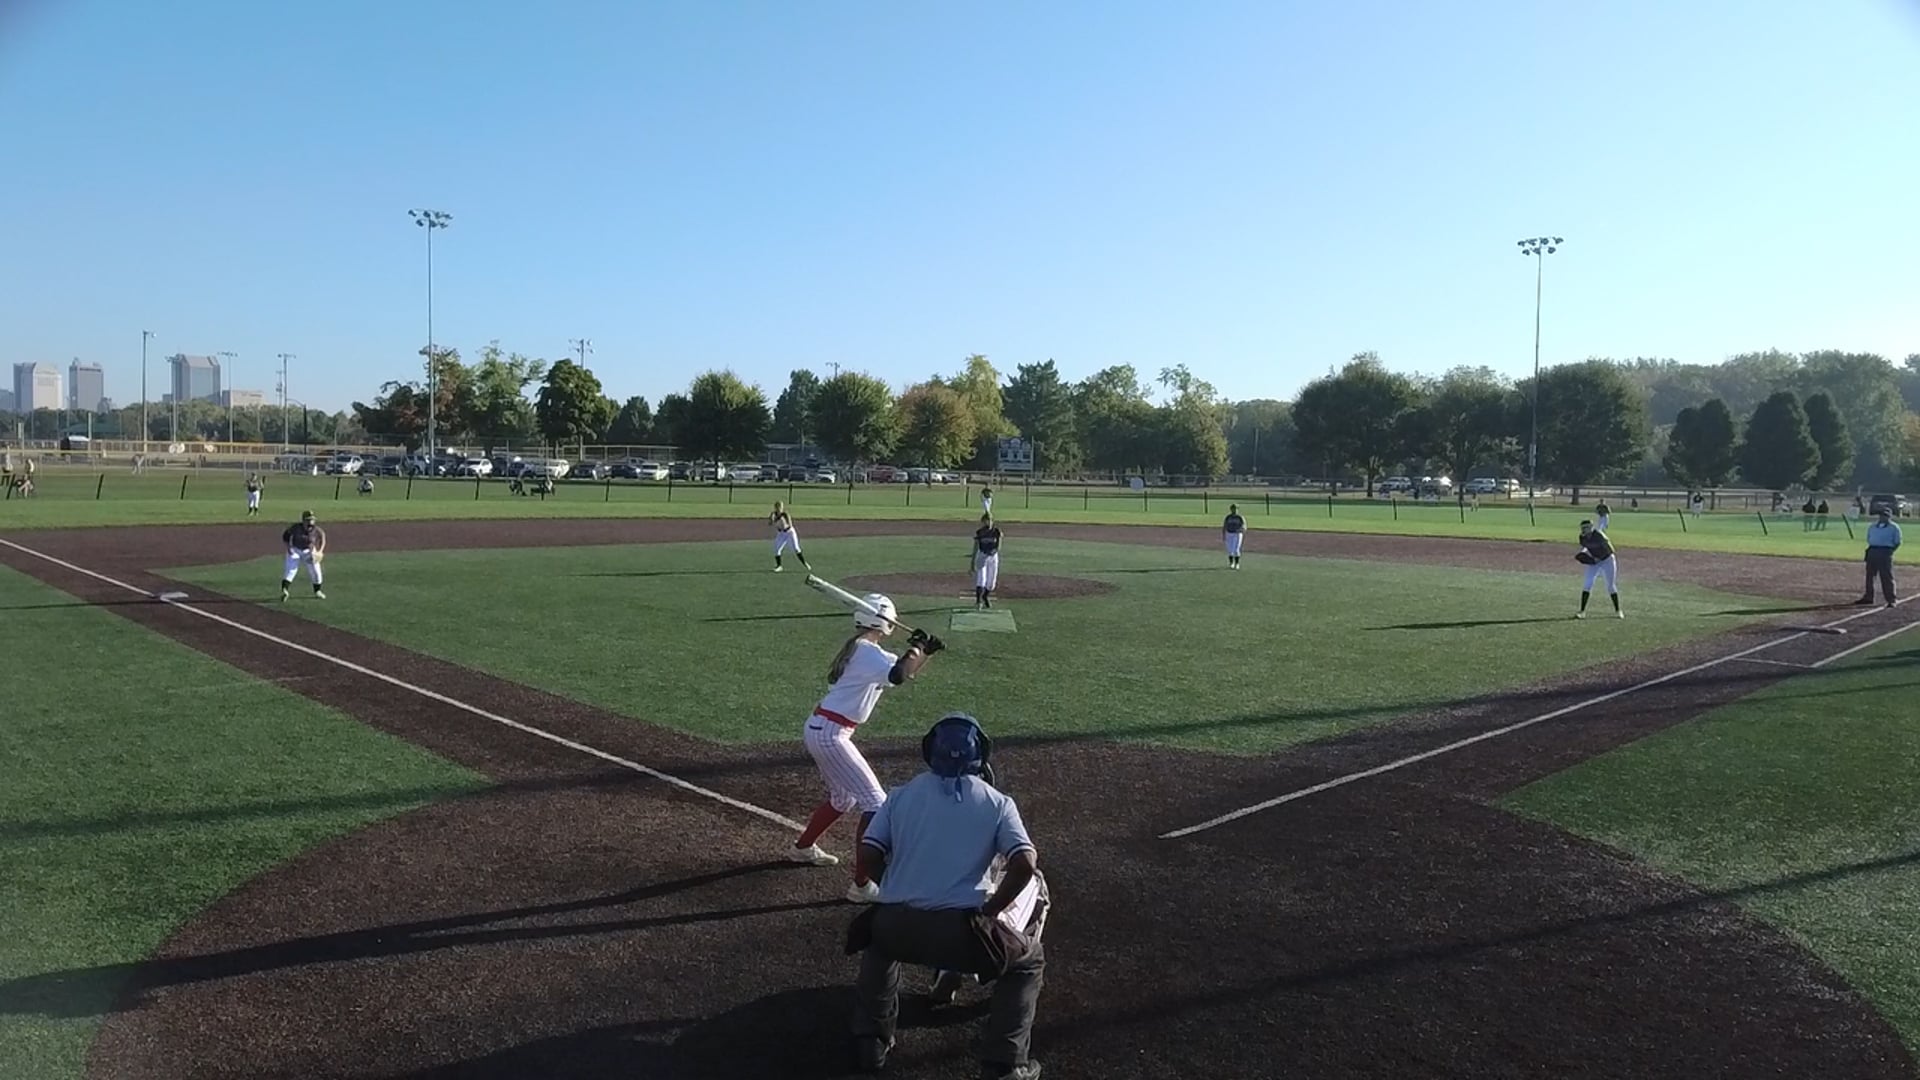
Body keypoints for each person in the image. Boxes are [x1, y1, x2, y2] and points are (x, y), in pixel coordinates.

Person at [848, 712, 1047, 1079]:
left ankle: (872, 1041)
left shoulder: (899, 797)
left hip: (897, 924)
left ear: (930, 752)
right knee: (1027, 962)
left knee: (878, 943)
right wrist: (991, 910)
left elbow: (868, 854)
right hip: (962, 934)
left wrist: (892, 885)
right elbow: (1024, 865)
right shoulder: (998, 802)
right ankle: (1005, 1063)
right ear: (981, 756)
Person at [787, 593, 943, 902]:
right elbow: (898, 674)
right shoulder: (867, 653)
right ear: (883, 621)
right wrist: (916, 648)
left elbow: (904, 672)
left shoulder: (864, 650)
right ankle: (861, 885)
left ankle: (802, 849)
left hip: (823, 728)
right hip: (831, 733)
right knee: (876, 803)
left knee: (843, 798)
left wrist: (925, 652)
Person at [1573, 518, 1622, 619]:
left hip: (1607, 560)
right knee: (1587, 584)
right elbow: (1586, 547)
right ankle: (1582, 612)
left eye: (1586, 527)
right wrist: (1584, 554)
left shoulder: (1599, 535)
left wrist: (1598, 559)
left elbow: (1610, 550)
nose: (1583, 529)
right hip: (1595, 561)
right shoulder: (1582, 537)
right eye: (1582, 528)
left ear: (1591, 527)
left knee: (1610, 585)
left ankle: (1618, 611)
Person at [1859, 507, 1902, 608]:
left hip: (1885, 551)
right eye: (1882, 515)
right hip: (1872, 550)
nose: (1883, 517)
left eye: (1885, 515)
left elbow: (1897, 542)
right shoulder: (1873, 526)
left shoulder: (1894, 527)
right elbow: (1869, 538)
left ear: (1889, 516)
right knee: (1870, 576)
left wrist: (1889, 552)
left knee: (1886, 576)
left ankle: (1891, 599)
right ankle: (1869, 597)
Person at [280, 509, 327, 601]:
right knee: (291, 570)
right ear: (303, 520)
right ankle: (285, 591)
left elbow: (322, 537)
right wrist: (289, 548)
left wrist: (320, 551)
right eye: (308, 520)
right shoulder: (295, 528)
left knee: (316, 572)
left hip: (309, 551)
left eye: (312, 520)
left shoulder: (316, 529)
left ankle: (317, 591)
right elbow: (285, 537)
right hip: (295, 550)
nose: (310, 522)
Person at [971, 513, 1003, 609]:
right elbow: (976, 547)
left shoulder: (996, 531)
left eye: (990, 520)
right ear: (983, 522)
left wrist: (994, 550)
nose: (988, 522)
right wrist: (972, 562)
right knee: (981, 579)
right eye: (986, 521)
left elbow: (999, 546)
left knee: (991, 583)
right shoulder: (980, 532)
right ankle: (978, 601)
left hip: (993, 557)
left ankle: (985, 596)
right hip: (982, 556)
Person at [769, 501, 811, 573]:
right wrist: (771, 519)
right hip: (781, 533)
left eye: (780, 507)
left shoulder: (785, 514)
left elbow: (789, 524)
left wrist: (778, 519)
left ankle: (804, 563)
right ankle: (779, 566)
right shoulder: (773, 514)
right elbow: (770, 523)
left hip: (789, 532)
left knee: (796, 548)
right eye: (778, 507)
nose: (779, 509)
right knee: (776, 549)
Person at [1222, 503, 1246, 569]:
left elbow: (1244, 526)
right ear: (1231, 509)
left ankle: (1237, 564)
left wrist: (1242, 531)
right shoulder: (1228, 517)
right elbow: (1225, 526)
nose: (1235, 510)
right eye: (1233, 508)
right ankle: (1231, 563)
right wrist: (1224, 535)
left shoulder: (1240, 517)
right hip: (1229, 533)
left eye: (1236, 509)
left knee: (1236, 549)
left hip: (1237, 534)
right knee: (1230, 550)